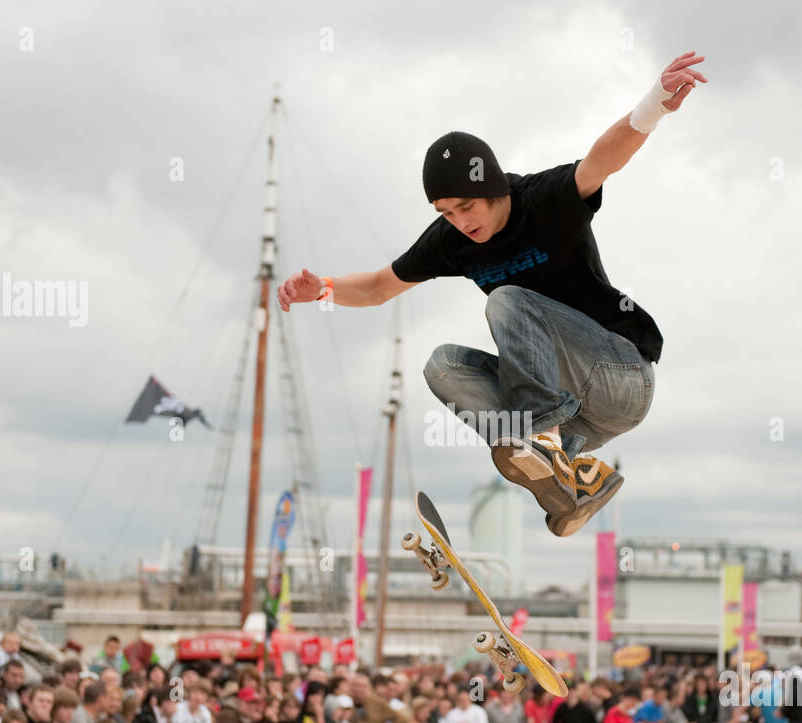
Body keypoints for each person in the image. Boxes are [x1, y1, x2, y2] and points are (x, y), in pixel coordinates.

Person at [277, 53, 709, 538]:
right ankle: (573, 480)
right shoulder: (452, 242)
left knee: (507, 299)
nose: (461, 223)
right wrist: (324, 291)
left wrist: (653, 106)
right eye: (447, 213)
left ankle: (544, 442)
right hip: (577, 414)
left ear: (495, 188)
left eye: (466, 207)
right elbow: (381, 287)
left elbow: (602, 161)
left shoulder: (545, 200)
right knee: (443, 366)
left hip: (621, 378)